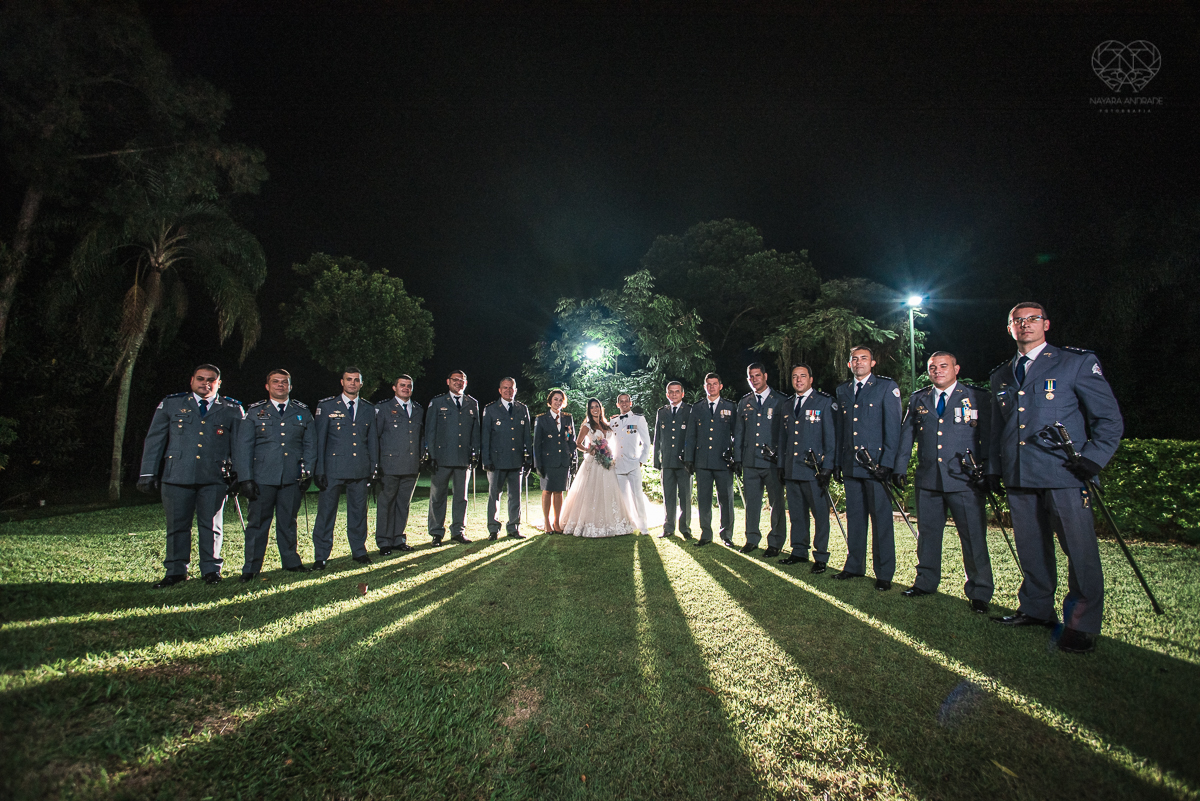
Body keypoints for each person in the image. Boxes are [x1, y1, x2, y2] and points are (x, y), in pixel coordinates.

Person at [986, 302, 1123, 654]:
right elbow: (998, 429)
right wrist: (994, 469)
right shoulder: (1002, 375)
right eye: (1017, 320)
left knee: (1079, 550)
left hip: (1064, 472)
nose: (1025, 325)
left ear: (1046, 324)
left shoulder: (1074, 362)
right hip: (1020, 473)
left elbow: (1108, 419)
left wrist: (1093, 459)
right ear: (1009, 328)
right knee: (1031, 547)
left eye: (1032, 319)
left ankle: (1081, 624)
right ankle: (1036, 608)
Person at [896, 352, 995, 612]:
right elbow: (907, 435)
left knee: (973, 537)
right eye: (932, 367)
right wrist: (899, 467)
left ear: (956, 368)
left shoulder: (976, 397)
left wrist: (990, 470)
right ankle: (925, 582)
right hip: (929, 479)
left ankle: (980, 591)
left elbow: (989, 436)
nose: (937, 371)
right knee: (927, 536)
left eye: (943, 366)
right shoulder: (919, 399)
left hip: (965, 481)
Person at [137, 364, 246, 587]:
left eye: (211, 380)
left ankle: (211, 570)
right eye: (200, 378)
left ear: (219, 383)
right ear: (192, 380)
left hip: (214, 477)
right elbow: (155, 440)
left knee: (212, 526)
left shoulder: (232, 409)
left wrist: (240, 474)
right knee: (177, 526)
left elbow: (240, 445)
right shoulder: (172, 404)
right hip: (177, 475)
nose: (205, 383)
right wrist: (147, 472)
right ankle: (176, 571)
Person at [232, 369, 316, 581]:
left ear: (290, 386)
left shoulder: (302, 412)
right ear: (267, 386)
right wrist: (245, 478)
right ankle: (251, 567)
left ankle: (291, 562)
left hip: (292, 476)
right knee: (257, 523)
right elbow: (244, 447)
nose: (280, 385)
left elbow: (310, 445)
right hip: (262, 477)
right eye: (275, 382)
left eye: (284, 382)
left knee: (288, 522)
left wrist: (307, 472)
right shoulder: (255, 412)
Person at [834, 346, 903, 590]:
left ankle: (884, 573)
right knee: (855, 519)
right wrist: (837, 462)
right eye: (854, 359)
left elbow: (893, 429)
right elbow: (841, 430)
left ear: (873, 363)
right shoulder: (842, 390)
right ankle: (854, 566)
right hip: (851, 465)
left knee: (881, 521)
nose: (859, 362)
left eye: (864, 358)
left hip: (876, 467)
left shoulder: (886, 387)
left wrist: (888, 464)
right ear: (849, 364)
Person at [312, 368, 376, 568]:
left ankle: (359, 551)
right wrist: (319, 470)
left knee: (358, 513)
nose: (352, 383)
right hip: (333, 469)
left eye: (356, 380)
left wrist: (373, 467)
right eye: (349, 379)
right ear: (342, 382)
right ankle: (321, 555)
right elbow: (320, 441)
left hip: (359, 468)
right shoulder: (327, 406)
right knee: (326, 513)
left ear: (361, 384)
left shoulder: (368, 408)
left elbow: (372, 441)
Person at [777, 364, 837, 571]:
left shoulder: (824, 402)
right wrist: (781, 465)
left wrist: (828, 468)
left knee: (820, 514)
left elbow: (830, 438)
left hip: (814, 470)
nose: (798, 380)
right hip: (793, 468)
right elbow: (783, 439)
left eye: (803, 376)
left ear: (811, 379)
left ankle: (821, 556)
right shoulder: (787, 405)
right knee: (796, 514)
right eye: (795, 376)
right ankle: (799, 551)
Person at [560, 398, 639, 538]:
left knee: (610, 491)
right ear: (589, 410)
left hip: (607, 462)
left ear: (600, 408)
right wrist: (589, 450)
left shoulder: (607, 424)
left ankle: (613, 521)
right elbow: (577, 443)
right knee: (592, 492)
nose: (595, 409)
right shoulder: (587, 426)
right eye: (592, 407)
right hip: (594, 463)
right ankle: (590, 522)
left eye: (597, 406)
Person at [733, 363, 785, 555]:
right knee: (752, 503)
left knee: (776, 504)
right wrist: (738, 458)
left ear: (765, 376)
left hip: (772, 462)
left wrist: (782, 460)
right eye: (751, 377)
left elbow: (785, 433)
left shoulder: (780, 400)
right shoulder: (745, 402)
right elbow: (739, 432)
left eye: (757, 375)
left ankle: (776, 542)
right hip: (750, 461)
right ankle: (752, 539)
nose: (754, 379)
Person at [425, 370, 481, 545]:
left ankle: (458, 531)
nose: (459, 383)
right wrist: (430, 455)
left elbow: (475, 431)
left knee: (461, 498)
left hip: (463, 458)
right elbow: (430, 430)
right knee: (438, 496)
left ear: (466, 383)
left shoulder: (472, 403)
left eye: (462, 380)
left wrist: (475, 453)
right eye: (455, 380)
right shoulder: (437, 402)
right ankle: (436, 532)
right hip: (441, 457)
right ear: (448, 381)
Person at [371, 374, 423, 555]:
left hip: (411, 465)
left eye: (409, 385)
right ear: (394, 388)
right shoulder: (383, 408)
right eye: (402, 385)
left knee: (403, 504)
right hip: (389, 465)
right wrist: (375, 464)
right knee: (386, 504)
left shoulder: (417, 409)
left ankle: (398, 539)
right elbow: (375, 438)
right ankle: (384, 541)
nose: (406, 388)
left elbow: (420, 436)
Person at [684, 372, 736, 547]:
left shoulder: (730, 406)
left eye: (715, 384)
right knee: (704, 499)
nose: (711, 387)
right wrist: (689, 458)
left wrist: (736, 457)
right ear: (704, 387)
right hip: (703, 461)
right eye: (708, 384)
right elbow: (691, 435)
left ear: (720, 386)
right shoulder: (697, 407)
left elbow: (737, 433)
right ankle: (706, 534)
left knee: (726, 499)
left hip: (723, 461)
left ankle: (726, 535)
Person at [481, 377, 532, 540]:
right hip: (496, 461)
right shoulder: (490, 409)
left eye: (511, 388)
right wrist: (486, 460)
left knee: (515, 496)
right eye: (505, 388)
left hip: (516, 460)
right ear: (499, 390)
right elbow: (485, 437)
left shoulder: (522, 409)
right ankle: (493, 529)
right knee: (494, 496)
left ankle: (513, 527)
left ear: (515, 390)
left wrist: (528, 458)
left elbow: (526, 435)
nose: (508, 391)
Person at [653, 381, 692, 539]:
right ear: (667, 394)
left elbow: (692, 436)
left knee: (685, 497)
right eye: (671, 392)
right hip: (667, 461)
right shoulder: (662, 412)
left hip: (684, 462)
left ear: (682, 394)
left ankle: (685, 529)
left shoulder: (689, 410)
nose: (674, 394)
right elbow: (657, 437)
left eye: (677, 392)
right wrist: (657, 459)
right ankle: (668, 528)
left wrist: (691, 458)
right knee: (668, 496)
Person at [533, 389, 575, 532]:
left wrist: (572, 456)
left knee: (559, 491)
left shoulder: (567, 418)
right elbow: (537, 444)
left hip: (563, 460)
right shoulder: (541, 419)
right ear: (550, 401)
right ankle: (547, 522)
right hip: (547, 461)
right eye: (555, 399)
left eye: (560, 400)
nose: (558, 402)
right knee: (547, 491)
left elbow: (571, 438)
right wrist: (537, 464)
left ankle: (557, 522)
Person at [612, 393, 652, 534]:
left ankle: (643, 525)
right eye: (621, 401)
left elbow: (646, 442)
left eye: (626, 401)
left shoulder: (638, 419)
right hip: (618, 464)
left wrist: (641, 460)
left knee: (637, 495)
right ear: (617, 404)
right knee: (622, 496)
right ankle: (627, 524)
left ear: (630, 403)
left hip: (633, 463)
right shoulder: (613, 421)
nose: (624, 403)